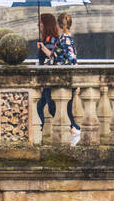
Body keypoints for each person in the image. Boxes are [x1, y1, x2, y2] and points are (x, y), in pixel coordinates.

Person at [54, 12, 82, 146]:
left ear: (58, 24)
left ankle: (75, 130)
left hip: (65, 78)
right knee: (65, 107)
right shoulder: (65, 37)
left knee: (66, 107)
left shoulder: (64, 38)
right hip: (64, 77)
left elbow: (71, 57)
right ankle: (74, 129)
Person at [35, 12, 60, 132]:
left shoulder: (52, 40)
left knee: (52, 108)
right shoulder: (45, 39)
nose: (38, 25)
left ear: (46, 24)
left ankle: (72, 128)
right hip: (45, 79)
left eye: (40, 22)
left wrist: (42, 48)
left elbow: (53, 57)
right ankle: (39, 130)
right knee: (39, 106)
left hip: (49, 79)